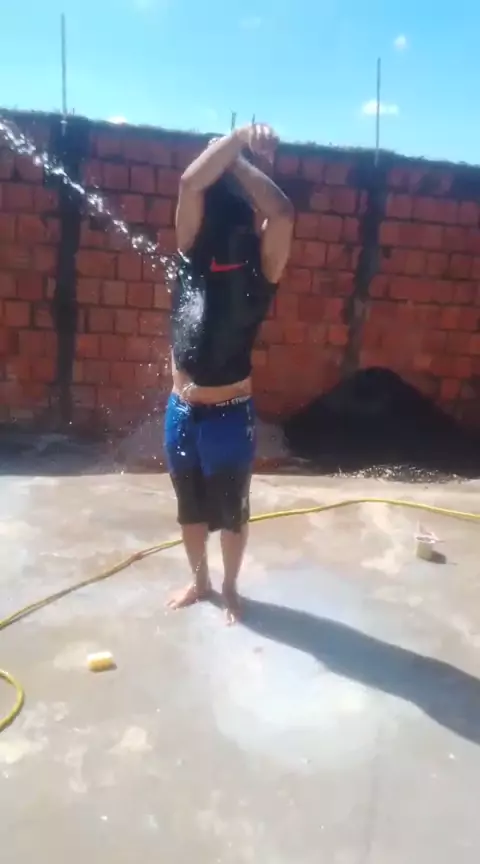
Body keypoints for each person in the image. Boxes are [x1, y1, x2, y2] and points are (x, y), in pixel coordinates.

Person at [164, 124, 293, 623]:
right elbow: (189, 182)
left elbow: (283, 212)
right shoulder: (190, 249)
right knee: (190, 507)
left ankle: (231, 588)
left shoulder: (264, 265)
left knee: (232, 511)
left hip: (230, 415)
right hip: (182, 411)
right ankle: (200, 582)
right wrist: (237, 139)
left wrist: (236, 158)